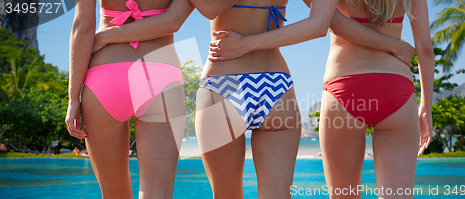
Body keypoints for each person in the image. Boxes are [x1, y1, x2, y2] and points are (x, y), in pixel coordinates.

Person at [92, 0, 414, 198]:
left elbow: (208, 7)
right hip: (277, 87)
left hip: (223, 84)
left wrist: (244, 45)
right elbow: (318, 25)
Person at [210, 0, 433, 198]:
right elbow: (424, 49)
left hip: (345, 88)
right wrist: (425, 109)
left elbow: (329, 22)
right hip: (396, 87)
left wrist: (245, 43)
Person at [64, 0, 194, 198]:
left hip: (105, 76)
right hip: (160, 75)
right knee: (157, 193)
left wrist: (73, 98)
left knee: (113, 194)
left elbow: (83, 26)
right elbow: (174, 20)